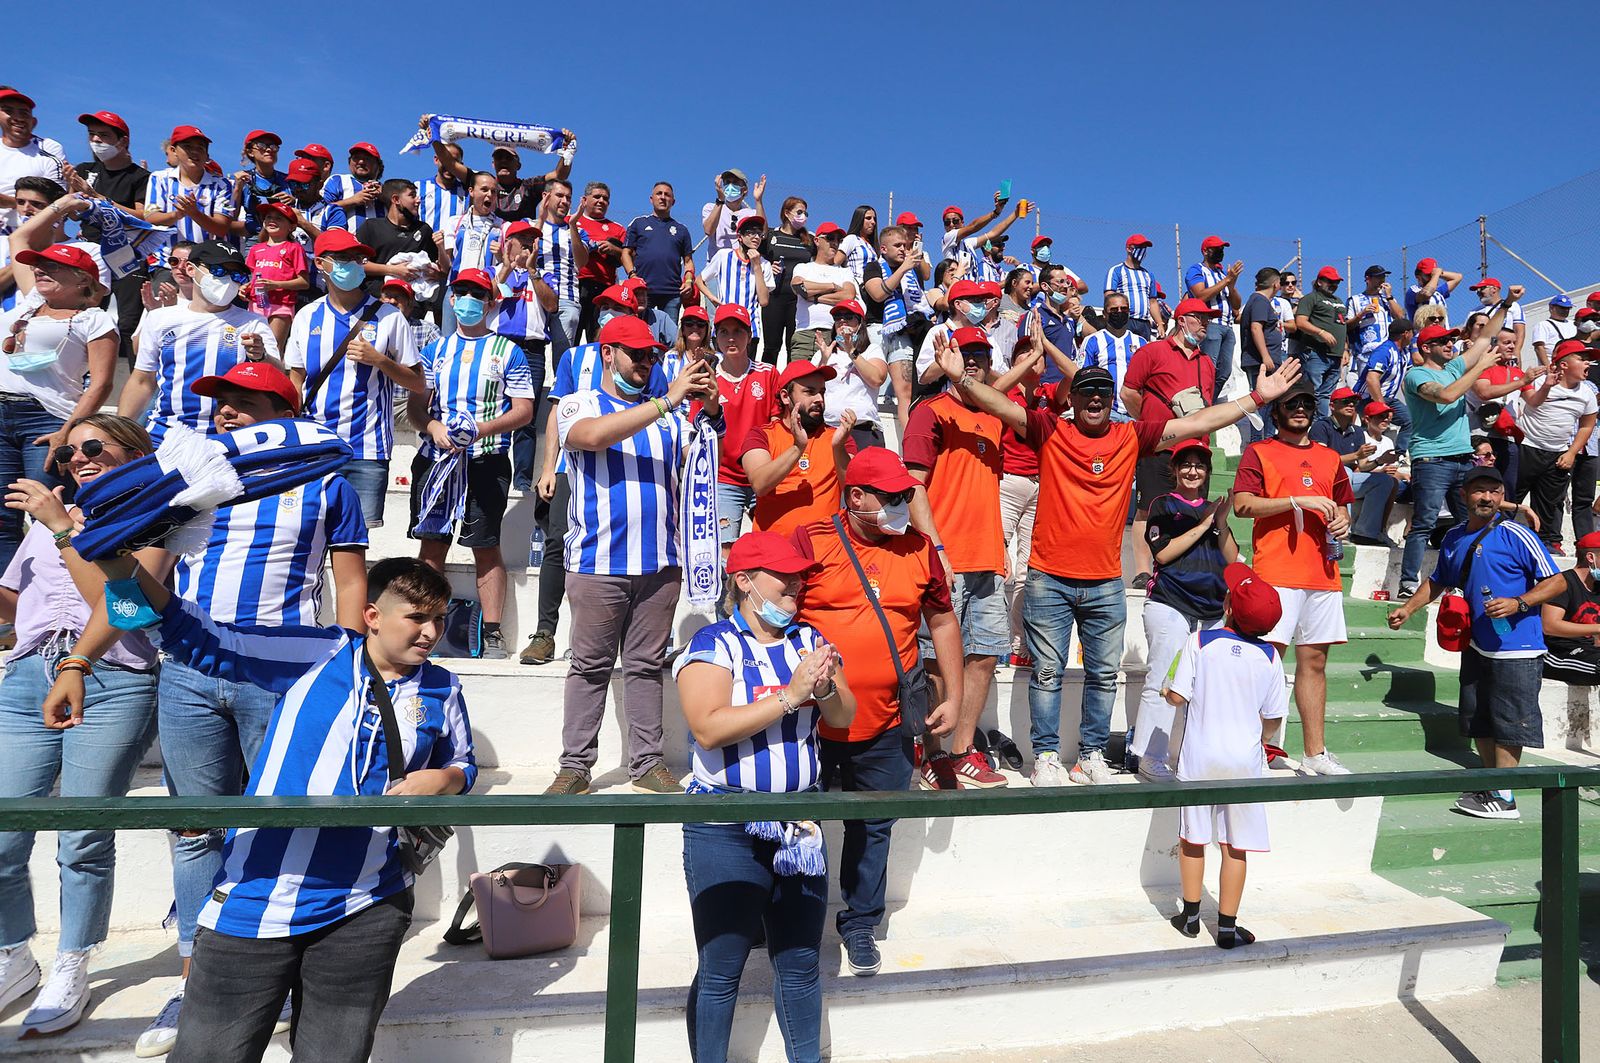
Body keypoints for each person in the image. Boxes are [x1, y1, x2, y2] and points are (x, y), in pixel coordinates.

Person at [54, 361, 367, 1055]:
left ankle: (282, 978)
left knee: (282, 825)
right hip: (189, 671)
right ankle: (197, 983)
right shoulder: (187, 484)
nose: (225, 411)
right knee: (195, 831)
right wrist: (78, 659)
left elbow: (350, 586)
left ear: (284, 413)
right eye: (219, 401)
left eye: (243, 400)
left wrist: (350, 673)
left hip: (285, 675)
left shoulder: (327, 483)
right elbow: (136, 590)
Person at [49, 551, 472, 1063]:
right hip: (256, 899)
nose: (431, 632)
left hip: (368, 905)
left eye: (439, 618)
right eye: (417, 617)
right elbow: (207, 639)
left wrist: (445, 778)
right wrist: (119, 569)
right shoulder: (319, 653)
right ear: (373, 616)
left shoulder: (444, 687)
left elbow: (463, 763)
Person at [926, 344, 1303, 787]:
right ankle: (1046, 756)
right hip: (1049, 576)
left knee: (1104, 677)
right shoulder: (1051, 429)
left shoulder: (1131, 436)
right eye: (1086, 391)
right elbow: (1002, 406)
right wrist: (962, 380)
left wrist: (1257, 399)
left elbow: (1197, 423)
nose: (1095, 398)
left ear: (1111, 400)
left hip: (1105, 581)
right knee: (1046, 673)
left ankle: (1089, 756)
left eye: (1103, 392)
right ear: (1072, 398)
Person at [0, 415, 160, 1037]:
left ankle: (73, 962)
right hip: (28, 673)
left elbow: (125, 607)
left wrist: (64, 530)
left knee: (83, 834)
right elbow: (19, 603)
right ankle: (14, 953)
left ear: (134, 452)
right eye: (68, 453)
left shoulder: (157, 514)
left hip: (112, 677)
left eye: (93, 446)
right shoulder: (52, 516)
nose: (78, 459)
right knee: (4, 830)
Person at [673, 531, 857, 1063]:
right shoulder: (712, 645)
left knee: (800, 964)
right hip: (724, 825)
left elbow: (844, 717)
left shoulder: (810, 640)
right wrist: (791, 696)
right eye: (784, 578)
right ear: (744, 581)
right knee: (721, 967)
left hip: (799, 823)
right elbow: (708, 728)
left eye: (800, 578)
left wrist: (824, 691)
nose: (795, 587)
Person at [790, 448, 961, 977]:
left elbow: (943, 621)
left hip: (887, 721)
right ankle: (790, 921)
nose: (901, 505)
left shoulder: (920, 549)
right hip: (809, 724)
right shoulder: (811, 540)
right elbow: (771, 612)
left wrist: (954, 696)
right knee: (795, 823)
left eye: (906, 495)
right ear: (856, 496)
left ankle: (861, 923)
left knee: (874, 827)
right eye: (890, 496)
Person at [546, 316, 721, 796]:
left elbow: (703, 457)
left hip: (660, 564)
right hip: (598, 562)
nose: (646, 362)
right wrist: (667, 400)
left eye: (651, 355)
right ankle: (575, 766)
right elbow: (591, 437)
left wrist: (710, 406)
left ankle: (647, 763)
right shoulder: (580, 402)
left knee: (645, 667)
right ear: (607, 354)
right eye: (636, 353)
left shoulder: (668, 417)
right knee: (589, 667)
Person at [1386, 465, 1564, 820]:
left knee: (1510, 721)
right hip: (1476, 644)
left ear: (1502, 497)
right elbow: (1438, 580)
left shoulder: (1517, 533)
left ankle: (1505, 797)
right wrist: (1408, 608)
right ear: (1464, 495)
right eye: (1480, 491)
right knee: (1478, 718)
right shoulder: (1453, 536)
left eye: (1494, 492)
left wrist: (1519, 603)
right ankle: (1491, 784)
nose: (1487, 498)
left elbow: (1557, 582)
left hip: (1517, 647)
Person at [406, 268, 535, 659]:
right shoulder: (434, 350)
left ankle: (492, 632)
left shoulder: (508, 351)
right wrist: (432, 426)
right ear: (450, 298)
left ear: (491, 302)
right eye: (461, 291)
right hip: (437, 461)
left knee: (486, 545)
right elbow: (416, 407)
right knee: (432, 544)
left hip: (486, 460)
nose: (468, 299)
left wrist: (482, 429)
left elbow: (525, 410)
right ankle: (424, 625)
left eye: (477, 294)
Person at [907, 328, 1015, 790]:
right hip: (943, 558)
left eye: (980, 355)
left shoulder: (994, 417)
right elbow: (912, 486)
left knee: (984, 656)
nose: (972, 361)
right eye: (964, 353)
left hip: (987, 557)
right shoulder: (929, 411)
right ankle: (933, 754)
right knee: (935, 662)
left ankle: (963, 750)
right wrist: (936, 549)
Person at [1231, 376, 1355, 775]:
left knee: (1315, 664)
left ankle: (1315, 753)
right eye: (1291, 404)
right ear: (1276, 411)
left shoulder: (1330, 457)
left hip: (1323, 574)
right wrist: (1295, 501)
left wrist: (1343, 522)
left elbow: (1343, 507)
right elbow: (1242, 505)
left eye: (1306, 404)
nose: (1300, 409)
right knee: (1267, 662)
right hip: (1276, 573)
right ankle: (1256, 747)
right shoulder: (1259, 451)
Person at [1165, 562, 1287, 951]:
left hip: (1200, 757)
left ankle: (1190, 917)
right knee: (1236, 845)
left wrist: (1168, 688)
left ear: (1229, 608)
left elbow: (1176, 697)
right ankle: (1228, 928)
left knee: (1192, 837)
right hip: (1244, 762)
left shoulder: (1200, 641)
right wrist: (1261, 739)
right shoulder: (1271, 657)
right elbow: (1273, 717)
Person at [286, 229, 426, 530]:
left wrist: (379, 360)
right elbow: (296, 381)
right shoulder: (306, 316)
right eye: (343, 258)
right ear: (321, 263)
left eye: (357, 258)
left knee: (354, 542)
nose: (352, 264)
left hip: (367, 449)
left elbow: (417, 383)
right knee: (309, 536)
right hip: (315, 448)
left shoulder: (389, 317)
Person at [0, 243, 116, 572]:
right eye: (38, 266)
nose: (39, 271)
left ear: (83, 279)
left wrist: (67, 432)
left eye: (52, 266)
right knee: (2, 519)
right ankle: (11, 599)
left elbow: (102, 384)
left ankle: (60, 592)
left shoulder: (95, 320)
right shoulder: (29, 304)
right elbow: (21, 236)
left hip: (48, 421)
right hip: (2, 412)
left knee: (49, 515)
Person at [1397, 300, 1523, 599]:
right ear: (1426, 348)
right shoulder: (1416, 375)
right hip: (1431, 460)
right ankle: (1408, 583)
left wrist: (1505, 305)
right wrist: (1480, 368)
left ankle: (1461, 580)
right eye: (1443, 341)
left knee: (1470, 524)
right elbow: (1446, 395)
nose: (1450, 345)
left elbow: (1484, 338)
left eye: (1451, 340)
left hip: (1462, 459)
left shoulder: (1453, 367)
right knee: (1424, 523)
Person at [1129, 439, 1238, 781]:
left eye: (1200, 465)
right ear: (1175, 470)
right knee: (1163, 680)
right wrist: (1204, 524)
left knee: (1206, 688)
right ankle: (1149, 756)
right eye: (1186, 465)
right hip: (1171, 603)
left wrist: (1220, 523)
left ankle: (1196, 756)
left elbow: (1232, 559)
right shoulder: (1163, 504)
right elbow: (1162, 554)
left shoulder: (1214, 511)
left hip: (1211, 610)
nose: (1193, 471)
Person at [119, 240, 279, 446]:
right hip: (164, 435)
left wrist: (261, 356)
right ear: (190, 269)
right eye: (218, 270)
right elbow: (142, 380)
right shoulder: (161, 318)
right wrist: (119, 433)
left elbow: (277, 375)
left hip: (228, 436)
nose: (227, 280)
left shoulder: (253, 322)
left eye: (236, 275)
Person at [1122, 298, 1219, 592]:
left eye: (1208, 319)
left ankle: (1179, 568)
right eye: (1199, 318)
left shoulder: (1206, 363)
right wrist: (1152, 427)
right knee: (1148, 507)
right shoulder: (1152, 352)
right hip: (1159, 448)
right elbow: (1128, 393)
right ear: (1181, 320)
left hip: (1194, 449)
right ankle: (1143, 571)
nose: (1205, 324)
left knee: (1191, 508)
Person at [742, 360, 854, 536]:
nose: (819, 399)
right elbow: (760, 484)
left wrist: (839, 448)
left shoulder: (838, 438)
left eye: (822, 392)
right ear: (785, 396)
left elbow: (853, 490)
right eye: (809, 392)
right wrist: (797, 448)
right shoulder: (762, 435)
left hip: (823, 548)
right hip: (773, 548)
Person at [71, 109, 148, 365]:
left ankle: (137, 380)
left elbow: (141, 216)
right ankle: (82, 377)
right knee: (82, 317)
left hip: (127, 254)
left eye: (104, 135)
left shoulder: (140, 177)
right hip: (90, 253)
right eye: (92, 134)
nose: (96, 140)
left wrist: (98, 197)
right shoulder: (85, 170)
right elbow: (73, 215)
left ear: (123, 141)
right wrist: (72, 194)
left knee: (129, 322)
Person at [706, 305, 776, 553]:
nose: (731, 338)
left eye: (738, 331)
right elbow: (699, 429)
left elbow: (778, 423)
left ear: (749, 335)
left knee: (771, 547)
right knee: (724, 552)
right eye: (724, 332)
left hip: (764, 476)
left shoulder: (768, 374)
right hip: (724, 478)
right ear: (716, 337)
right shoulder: (707, 378)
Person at [1515, 340, 1596, 553]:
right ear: (1564, 365)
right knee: (1511, 497)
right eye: (1582, 359)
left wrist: (1571, 452)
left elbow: (1587, 425)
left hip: (1558, 453)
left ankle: (1544, 544)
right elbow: (1531, 402)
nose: (1588, 363)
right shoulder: (1540, 380)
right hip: (1527, 447)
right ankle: (1495, 537)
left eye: (1588, 360)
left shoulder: (1587, 392)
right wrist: (1547, 386)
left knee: (1548, 504)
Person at [143, 126, 234, 262]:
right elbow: (151, 218)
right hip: (168, 262)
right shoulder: (159, 178)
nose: (194, 152)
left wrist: (194, 213)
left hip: (207, 263)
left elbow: (221, 228)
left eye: (200, 148)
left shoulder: (221, 184)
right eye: (187, 147)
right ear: (173, 150)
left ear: (207, 155)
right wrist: (176, 215)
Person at [354, 178, 444, 299]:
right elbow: (356, 264)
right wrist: (392, 270)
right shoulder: (371, 227)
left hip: (412, 304)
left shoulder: (424, 230)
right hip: (376, 300)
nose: (418, 200)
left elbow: (440, 270)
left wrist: (434, 273)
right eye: (412, 196)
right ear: (396, 199)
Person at [621, 182, 695, 318]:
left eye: (667, 195)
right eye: (659, 193)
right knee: (639, 329)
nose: (663, 197)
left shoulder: (682, 230)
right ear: (651, 199)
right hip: (642, 290)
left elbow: (688, 261)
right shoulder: (638, 223)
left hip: (672, 293)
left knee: (669, 331)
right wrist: (632, 275)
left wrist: (689, 281)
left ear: (673, 201)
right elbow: (626, 253)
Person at [820, 300, 888, 450]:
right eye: (838, 317)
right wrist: (823, 361)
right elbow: (812, 389)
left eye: (848, 317)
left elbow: (877, 379)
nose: (842, 321)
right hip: (828, 429)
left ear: (860, 323)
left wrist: (851, 350)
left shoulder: (871, 350)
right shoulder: (825, 353)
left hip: (862, 429)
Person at [697, 212, 772, 346]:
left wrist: (756, 266)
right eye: (751, 232)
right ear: (740, 237)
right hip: (723, 323)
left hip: (750, 328)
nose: (756, 237)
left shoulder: (764, 264)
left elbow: (764, 300)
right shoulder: (724, 256)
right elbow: (699, 280)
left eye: (759, 233)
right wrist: (712, 298)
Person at [1184, 235, 1243, 396]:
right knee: (1208, 368)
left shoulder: (1222, 274)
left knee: (1224, 372)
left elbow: (1236, 305)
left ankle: (1210, 401)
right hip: (1210, 324)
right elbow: (1200, 295)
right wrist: (1227, 280)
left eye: (1222, 249)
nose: (1220, 252)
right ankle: (1202, 401)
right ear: (1205, 251)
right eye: (1217, 249)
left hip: (1227, 326)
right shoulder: (1196, 270)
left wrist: (1231, 285)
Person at [243, 203, 308, 348]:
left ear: (291, 227)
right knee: (252, 347)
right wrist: (244, 288)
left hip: (281, 305)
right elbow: (252, 279)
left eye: (279, 218)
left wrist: (276, 285)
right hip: (255, 304)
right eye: (268, 217)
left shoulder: (294, 248)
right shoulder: (255, 249)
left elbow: (304, 282)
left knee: (273, 348)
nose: (272, 221)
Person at [790, 222, 857, 362]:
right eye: (830, 238)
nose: (835, 243)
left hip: (834, 334)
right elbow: (798, 287)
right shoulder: (803, 267)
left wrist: (815, 298)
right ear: (817, 241)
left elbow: (849, 296)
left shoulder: (845, 271)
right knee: (799, 375)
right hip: (805, 333)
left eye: (839, 240)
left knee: (831, 375)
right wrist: (832, 286)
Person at [1290, 266, 1350, 418]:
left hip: (1336, 356)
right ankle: (1309, 424)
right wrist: (1321, 332)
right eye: (1330, 281)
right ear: (1319, 282)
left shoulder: (1339, 301)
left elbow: (1342, 325)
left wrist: (1345, 349)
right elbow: (1300, 322)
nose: (1334, 285)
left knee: (1326, 394)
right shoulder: (1310, 298)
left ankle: (1320, 425)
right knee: (1312, 392)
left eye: (1336, 282)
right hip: (1316, 353)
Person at [759, 197, 813, 364]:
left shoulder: (809, 240)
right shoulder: (772, 235)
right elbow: (756, 258)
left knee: (794, 346)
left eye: (805, 213)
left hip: (798, 301)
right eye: (799, 212)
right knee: (771, 346)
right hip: (774, 298)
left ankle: (792, 380)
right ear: (787, 213)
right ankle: (767, 378)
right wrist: (768, 266)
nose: (803, 216)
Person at [0, 89, 64, 229]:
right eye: (8, 111)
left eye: (24, 113)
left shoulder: (48, 150)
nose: (18, 118)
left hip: (30, 234)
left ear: (33, 122)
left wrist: (12, 203)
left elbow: (57, 203)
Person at [1542, 531, 1600, 684]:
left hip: (1589, 651)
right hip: (1558, 653)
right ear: (1591, 558)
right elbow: (1549, 626)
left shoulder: (1597, 586)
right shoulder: (1561, 583)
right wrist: (1597, 629)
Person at [572, 182, 626, 343]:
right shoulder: (571, 221)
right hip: (575, 285)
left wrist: (614, 249)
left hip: (604, 289)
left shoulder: (617, 228)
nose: (601, 201)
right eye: (597, 197)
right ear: (584, 200)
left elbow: (630, 257)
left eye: (605, 198)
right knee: (571, 335)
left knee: (598, 337)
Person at [1079, 291, 1144, 420]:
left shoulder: (1141, 342)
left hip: (1134, 412)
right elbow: (1083, 374)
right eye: (1114, 310)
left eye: (1124, 309)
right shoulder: (1093, 341)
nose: (1119, 312)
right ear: (1104, 314)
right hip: (1106, 411)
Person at [1362, 319, 1416, 453]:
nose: (1413, 336)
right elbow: (1371, 379)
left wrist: (1411, 402)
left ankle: (1399, 455)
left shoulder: (1404, 352)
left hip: (1389, 398)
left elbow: (1405, 379)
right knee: (1371, 427)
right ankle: (1366, 456)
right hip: (1368, 398)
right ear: (1406, 334)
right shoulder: (1384, 351)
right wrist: (1382, 407)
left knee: (1409, 420)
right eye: (1412, 333)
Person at [1346, 266, 1405, 376]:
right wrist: (1361, 314)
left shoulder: (1388, 299)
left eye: (1383, 277)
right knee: (1369, 383)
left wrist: (1389, 296)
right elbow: (1347, 326)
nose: (1382, 280)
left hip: (1389, 349)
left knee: (1389, 383)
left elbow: (1400, 317)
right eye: (1378, 277)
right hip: (1366, 353)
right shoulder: (1355, 300)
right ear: (1368, 279)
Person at [1104, 233, 1163, 339]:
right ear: (1129, 249)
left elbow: (1153, 302)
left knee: (1143, 348)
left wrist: (1159, 323)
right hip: (1125, 319)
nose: (1143, 250)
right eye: (1139, 247)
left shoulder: (1148, 275)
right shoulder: (1116, 271)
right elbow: (1109, 296)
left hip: (1144, 322)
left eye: (1144, 248)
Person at [702, 168, 767, 259]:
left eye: (735, 183)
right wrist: (720, 200)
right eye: (727, 182)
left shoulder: (752, 213)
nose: (730, 186)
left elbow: (763, 233)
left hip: (742, 264)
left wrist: (758, 200)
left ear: (744, 190)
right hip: (716, 263)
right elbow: (708, 230)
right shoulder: (711, 208)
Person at [323, 141, 386, 230]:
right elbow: (321, 212)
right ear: (349, 162)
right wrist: (353, 201)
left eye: (367, 158)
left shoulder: (388, 190)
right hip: (344, 237)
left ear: (378, 166)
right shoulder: (337, 181)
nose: (361, 162)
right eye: (356, 158)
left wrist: (385, 197)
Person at [1469, 278, 1526, 356]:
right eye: (1477, 290)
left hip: (1505, 351)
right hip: (1482, 352)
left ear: (1494, 289)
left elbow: (1519, 331)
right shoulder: (1474, 312)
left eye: (1481, 288)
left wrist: (1516, 351)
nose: (1478, 292)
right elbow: (1468, 332)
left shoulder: (1513, 305)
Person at [1404, 258, 1464, 325]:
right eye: (1429, 275)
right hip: (1424, 331)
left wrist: (1439, 273)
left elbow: (1458, 277)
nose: (1433, 277)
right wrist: (1436, 275)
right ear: (1418, 276)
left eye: (1433, 274)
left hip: (1443, 331)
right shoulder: (1413, 291)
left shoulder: (1438, 292)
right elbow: (1427, 293)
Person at [1533, 294, 1577, 367]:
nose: (1566, 310)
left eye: (1568, 308)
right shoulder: (1543, 325)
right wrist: (1548, 367)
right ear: (1551, 307)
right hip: (1554, 366)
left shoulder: (1573, 324)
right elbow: (1539, 348)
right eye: (1562, 308)